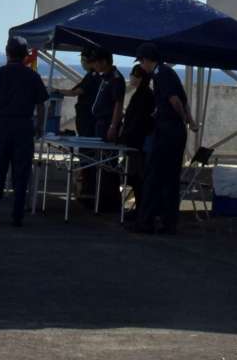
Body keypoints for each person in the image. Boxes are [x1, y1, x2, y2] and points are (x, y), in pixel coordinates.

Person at [0, 37, 48, 225]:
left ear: (7, 53)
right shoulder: (33, 76)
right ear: (26, 55)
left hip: (1, 126)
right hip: (24, 126)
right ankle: (17, 215)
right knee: (21, 172)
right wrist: (39, 126)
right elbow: (41, 105)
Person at [134, 44, 193, 233]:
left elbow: (174, 100)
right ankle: (168, 222)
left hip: (168, 130)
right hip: (174, 130)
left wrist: (182, 118)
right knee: (169, 177)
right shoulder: (167, 73)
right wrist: (189, 121)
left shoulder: (161, 74)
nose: (141, 65)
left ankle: (146, 221)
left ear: (146, 60)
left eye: (141, 61)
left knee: (154, 175)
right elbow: (183, 99)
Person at [71, 46, 125, 209]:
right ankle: (98, 197)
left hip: (107, 124)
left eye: (95, 62)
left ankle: (109, 201)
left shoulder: (115, 79)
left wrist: (113, 126)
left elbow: (118, 104)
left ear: (104, 62)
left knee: (108, 163)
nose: (93, 65)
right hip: (99, 123)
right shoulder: (104, 77)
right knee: (98, 162)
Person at [118, 62, 155, 220]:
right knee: (136, 177)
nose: (131, 78)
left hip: (137, 142)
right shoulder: (144, 93)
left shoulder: (143, 95)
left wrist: (125, 136)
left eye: (133, 75)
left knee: (137, 177)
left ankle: (141, 211)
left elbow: (138, 120)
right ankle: (140, 209)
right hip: (137, 141)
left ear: (139, 78)